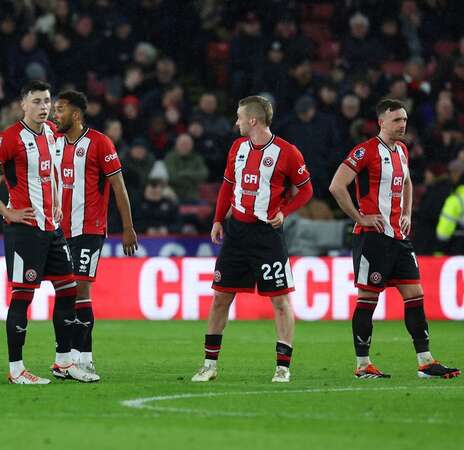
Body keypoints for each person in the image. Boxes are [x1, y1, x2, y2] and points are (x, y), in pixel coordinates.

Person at [0, 80, 98, 384]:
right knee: (23, 297)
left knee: (68, 290)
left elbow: (49, 170)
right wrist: (7, 211)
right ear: (23, 105)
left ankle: (64, 362)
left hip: (52, 229)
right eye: (38, 102)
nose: (44, 108)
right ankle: (16, 369)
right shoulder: (11, 138)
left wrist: (54, 201)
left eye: (47, 102)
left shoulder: (53, 133)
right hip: (24, 230)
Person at [329, 99, 460, 379]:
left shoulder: (401, 150)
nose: (403, 125)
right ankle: (363, 365)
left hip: (399, 238)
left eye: (404, 119)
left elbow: (408, 182)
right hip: (372, 238)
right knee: (368, 298)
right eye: (397, 120)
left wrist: (408, 214)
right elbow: (337, 185)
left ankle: (426, 362)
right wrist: (359, 217)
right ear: (381, 122)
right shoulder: (365, 151)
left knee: (415, 294)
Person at [192, 95, 313, 383]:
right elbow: (227, 185)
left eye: (239, 117)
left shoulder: (287, 152)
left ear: (253, 120)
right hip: (237, 233)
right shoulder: (237, 148)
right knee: (221, 296)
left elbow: (306, 190)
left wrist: (284, 211)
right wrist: (218, 219)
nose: (236, 122)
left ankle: (282, 367)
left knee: (281, 300)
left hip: (267, 235)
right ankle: (209, 365)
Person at [51, 90, 138, 377]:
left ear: (76, 114)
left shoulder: (100, 143)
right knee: (67, 293)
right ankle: (77, 357)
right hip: (58, 232)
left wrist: (127, 228)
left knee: (81, 289)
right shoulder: (53, 141)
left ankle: (77, 358)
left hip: (89, 230)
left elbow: (119, 188)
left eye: (60, 109)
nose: (55, 114)